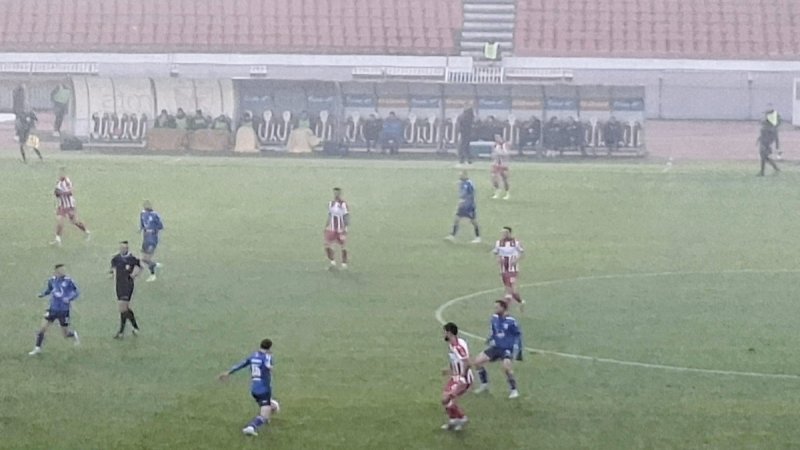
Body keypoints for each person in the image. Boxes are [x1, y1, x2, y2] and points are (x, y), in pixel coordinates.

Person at [218, 338, 278, 437]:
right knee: (264, 415)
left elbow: (241, 365)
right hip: (264, 389)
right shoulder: (267, 357)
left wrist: (228, 372)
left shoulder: (253, 356)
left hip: (254, 389)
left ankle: (269, 413)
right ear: (270, 347)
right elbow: (269, 367)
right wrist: (270, 367)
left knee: (270, 406)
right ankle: (251, 427)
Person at [472, 300, 521, 398]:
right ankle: (484, 384)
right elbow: (494, 330)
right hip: (496, 347)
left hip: (506, 349)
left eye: (497, 307)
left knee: (506, 368)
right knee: (477, 362)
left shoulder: (511, 321)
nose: (495, 309)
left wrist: (516, 348)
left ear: (503, 308)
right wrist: (490, 338)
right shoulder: (494, 318)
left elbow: (517, 334)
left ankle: (514, 390)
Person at [29, 264, 81, 355]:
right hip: (52, 309)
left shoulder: (68, 281)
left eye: (64, 270)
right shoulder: (52, 280)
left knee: (65, 334)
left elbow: (76, 292)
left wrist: (69, 298)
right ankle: (37, 348)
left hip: (63, 311)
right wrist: (42, 294)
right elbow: (49, 290)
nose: (63, 272)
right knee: (42, 328)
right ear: (56, 271)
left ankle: (73, 335)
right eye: (61, 270)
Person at [440, 322, 472, 431]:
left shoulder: (458, 347)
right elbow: (455, 361)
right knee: (445, 399)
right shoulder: (452, 344)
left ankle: (461, 418)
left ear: (449, 333)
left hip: (463, 378)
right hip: (455, 377)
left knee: (448, 399)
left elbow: (467, 362)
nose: (443, 334)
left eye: (444, 332)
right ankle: (454, 420)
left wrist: (462, 378)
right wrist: (449, 370)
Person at [110, 241, 142, 339]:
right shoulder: (116, 258)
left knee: (122, 308)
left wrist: (134, 274)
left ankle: (121, 332)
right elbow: (113, 269)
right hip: (119, 285)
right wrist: (111, 274)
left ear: (127, 248)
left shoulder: (132, 259)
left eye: (124, 248)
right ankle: (135, 327)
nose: (122, 249)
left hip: (128, 285)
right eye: (121, 248)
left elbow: (139, 267)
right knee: (124, 308)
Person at [51, 167, 90, 246]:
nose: (60, 175)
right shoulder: (58, 182)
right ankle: (57, 239)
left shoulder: (67, 181)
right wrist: (56, 193)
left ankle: (86, 232)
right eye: (59, 173)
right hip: (62, 205)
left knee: (74, 221)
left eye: (61, 173)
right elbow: (56, 193)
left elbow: (71, 192)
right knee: (60, 220)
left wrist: (61, 193)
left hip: (69, 205)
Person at [493, 227, 525, 311]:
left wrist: (516, 260)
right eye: (503, 233)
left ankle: (507, 307)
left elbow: (522, 253)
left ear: (509, 233)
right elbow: (496, 253)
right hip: (504, 269)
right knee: (509, 291)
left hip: (513, 269)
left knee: (512, 291)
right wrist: (498, 259)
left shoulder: (515, 242)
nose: (504, 234)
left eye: (506, 232)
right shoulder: (499, 243)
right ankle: (519, 303)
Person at [445, 171, 480, 243]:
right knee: (456, 219)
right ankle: (452, 236)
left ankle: (478, 237)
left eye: (461, 175)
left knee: (473, 221)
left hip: (469, 206)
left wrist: (465, 201)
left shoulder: (469, 184)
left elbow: (471, 194)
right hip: (462, 205)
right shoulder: (462, 183)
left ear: (465, 175)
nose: (459, 176)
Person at [325, 187, 350, 269]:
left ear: (340, 193)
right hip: (332, 228)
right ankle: (332, 261)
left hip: (340, 229)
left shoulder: (343, 204)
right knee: (328, 245)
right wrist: (326, 225)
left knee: (343, 246)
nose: (336, 194)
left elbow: (346, 216)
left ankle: (344, 263)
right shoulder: (330, 204)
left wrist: (345, 227)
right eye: (335, 193)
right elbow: (329, 215)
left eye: (337, 193)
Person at [139, 201, 164, 282]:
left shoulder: (155, 215)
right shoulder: (142, 213)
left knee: (146, 258)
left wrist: (153, 231)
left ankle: (153, 275)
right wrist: (142, 229)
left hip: (152, 239)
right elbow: (142, 223)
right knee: (143, 258)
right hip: (145, 239)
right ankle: (154, 264)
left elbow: (160, 226)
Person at [491, 134, 511, 200]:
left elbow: (506, 153)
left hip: (503, 164)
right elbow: (493, 154)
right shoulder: (495, 145)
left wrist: (499, 153)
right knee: (494, 178)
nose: (497, 139)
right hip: (496, 164)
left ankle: (507, 193)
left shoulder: (504, 145)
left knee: (504, 179)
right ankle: (497, 191)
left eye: (498, 138)